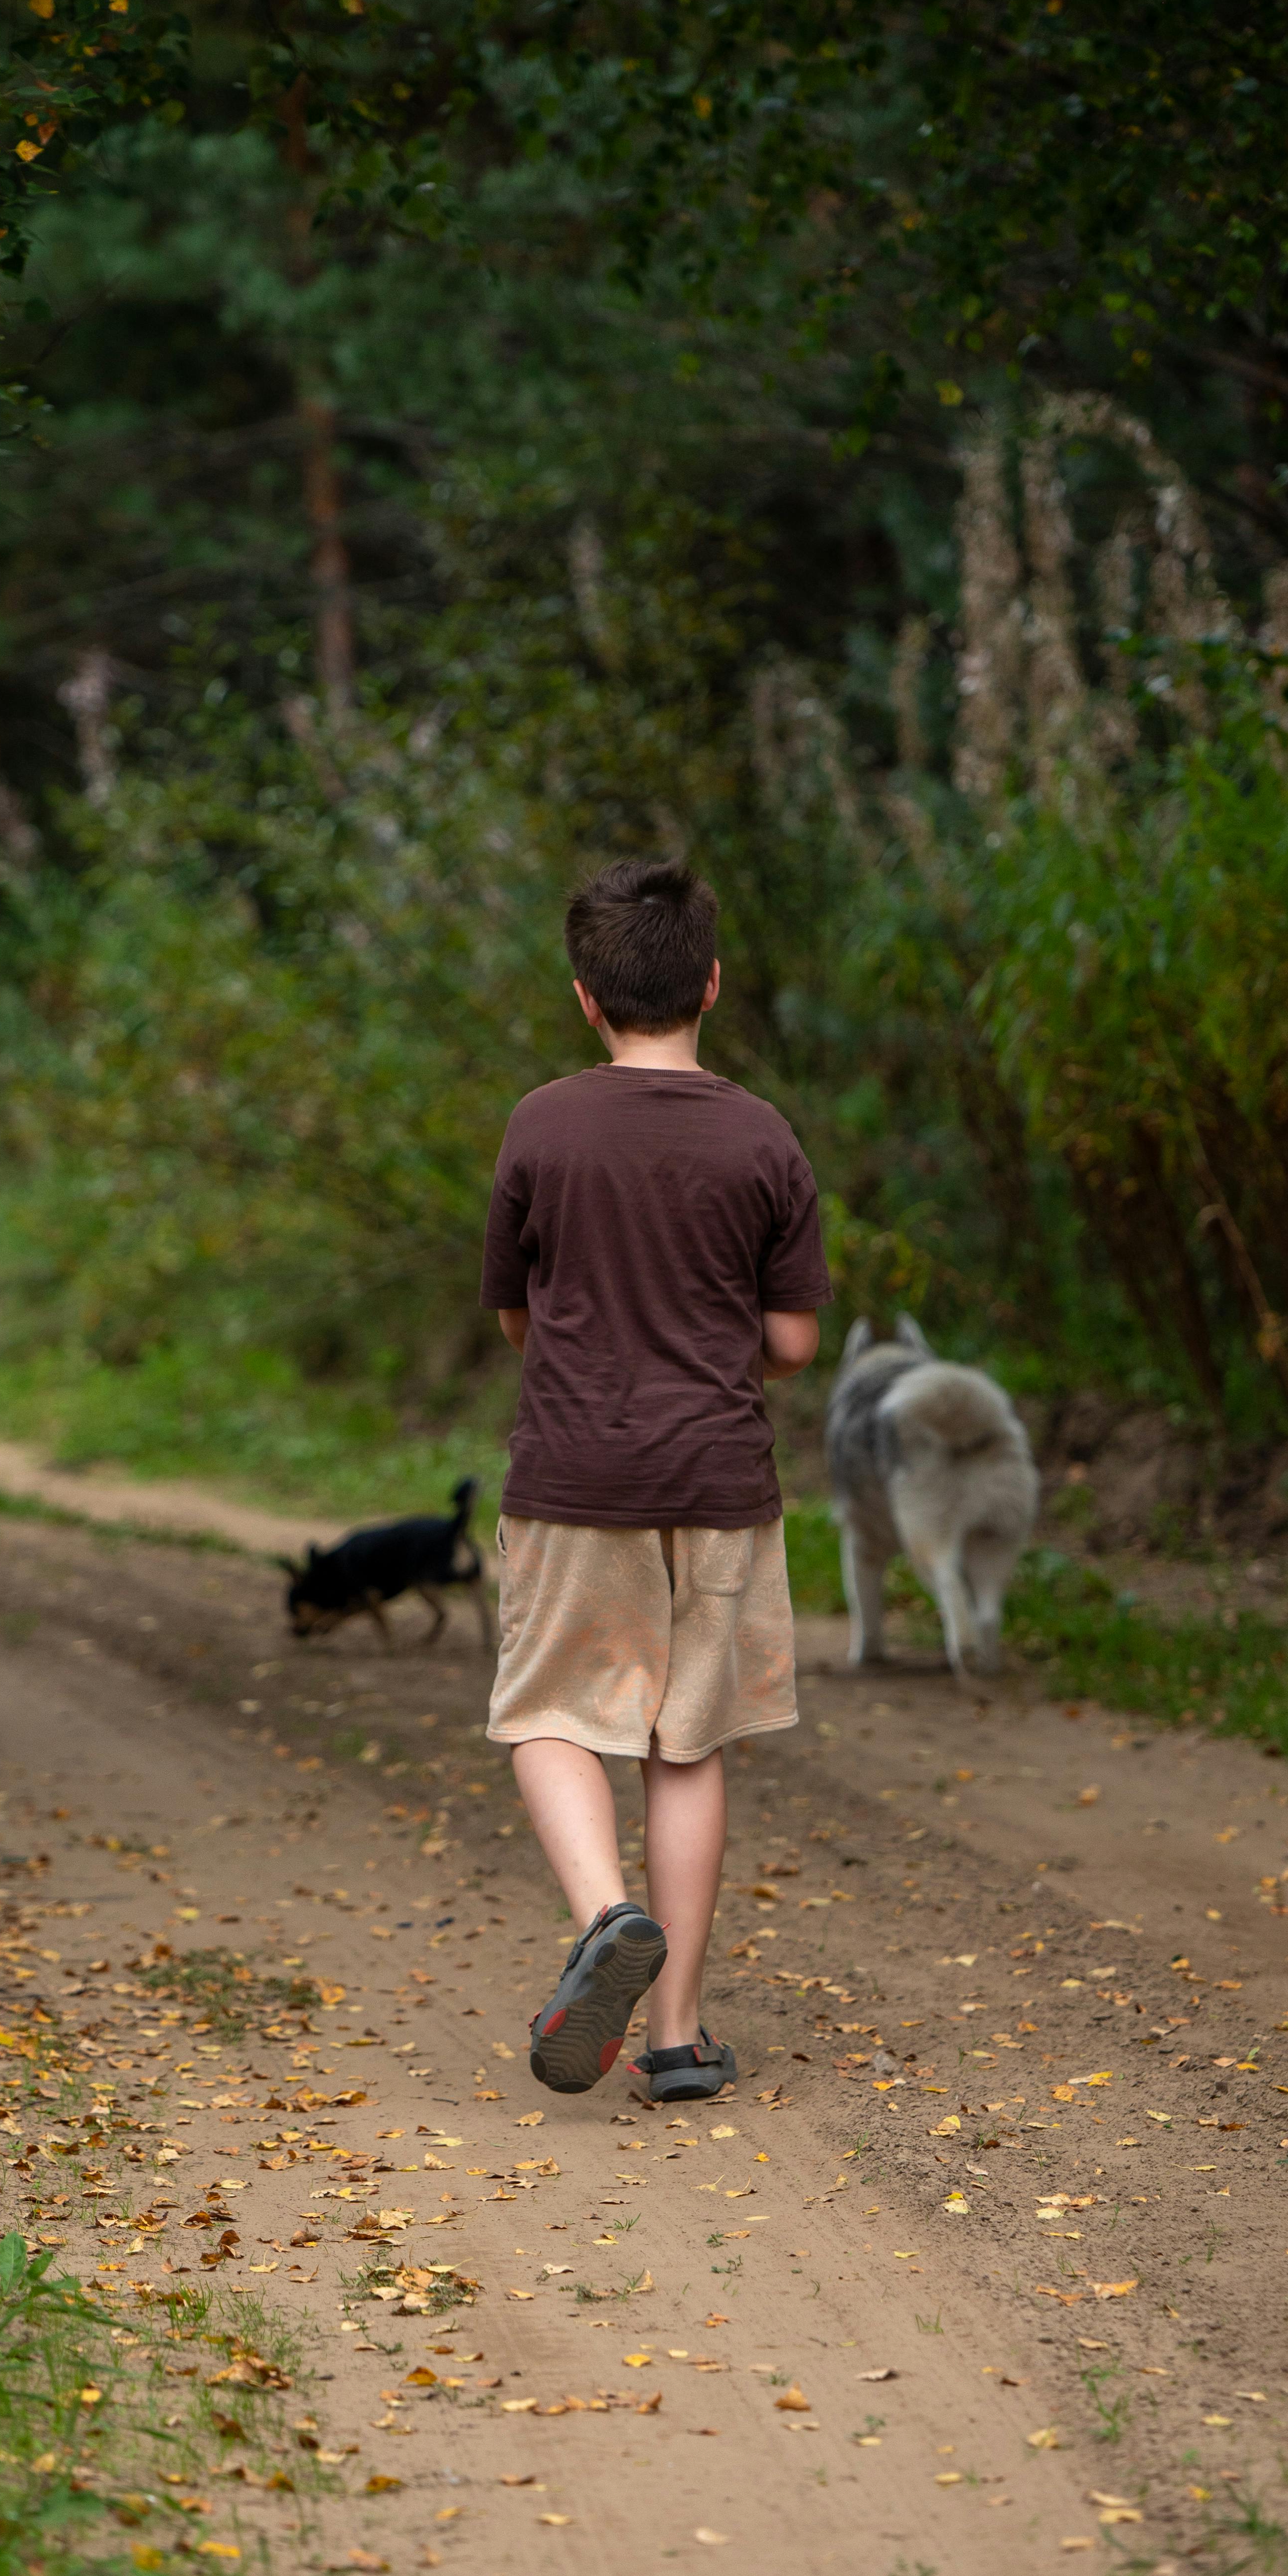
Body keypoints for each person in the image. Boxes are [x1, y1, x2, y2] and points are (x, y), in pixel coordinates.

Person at [479, 856, 828, 2103]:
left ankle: (604, 1918)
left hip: (575, 1474)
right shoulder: (761, 1135)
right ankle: (676, 2039)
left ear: (584, 997)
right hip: (718, 1479)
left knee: (546, 1714)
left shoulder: (542, 1125)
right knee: (688, 1746)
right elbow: (790, 1343)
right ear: (712, 984)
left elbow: (517, 1314)